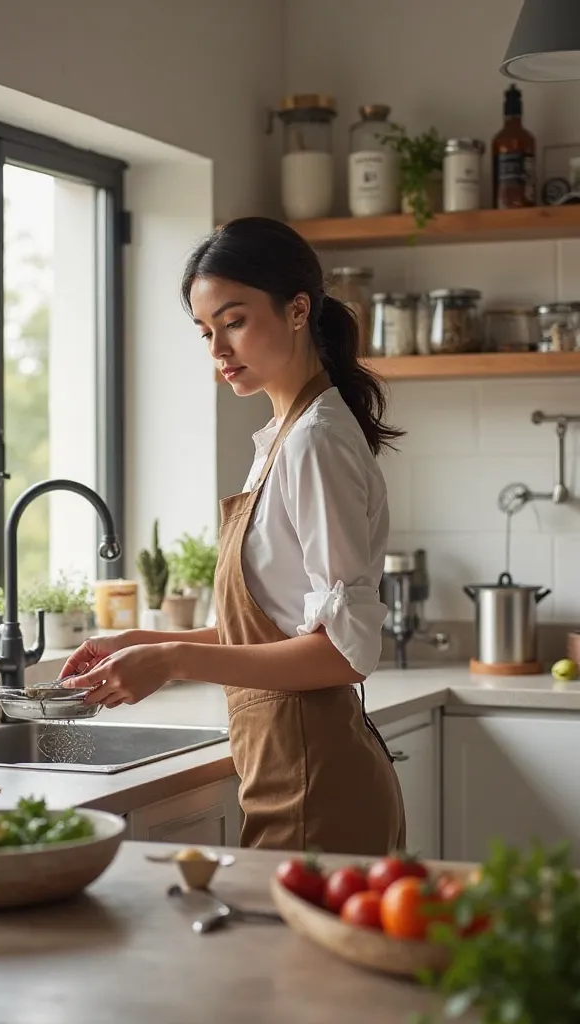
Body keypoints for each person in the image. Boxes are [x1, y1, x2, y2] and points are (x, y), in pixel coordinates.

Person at [61, 216, 406, 855]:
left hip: (315, 782)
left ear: (298, 309)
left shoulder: (316, 443)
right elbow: (273, 630)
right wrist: (142, 640)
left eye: (235, 321)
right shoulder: (284, 435)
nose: (218, 349)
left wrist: (171, 660)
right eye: (205, 331)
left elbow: (341, 653)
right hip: (287, 772)